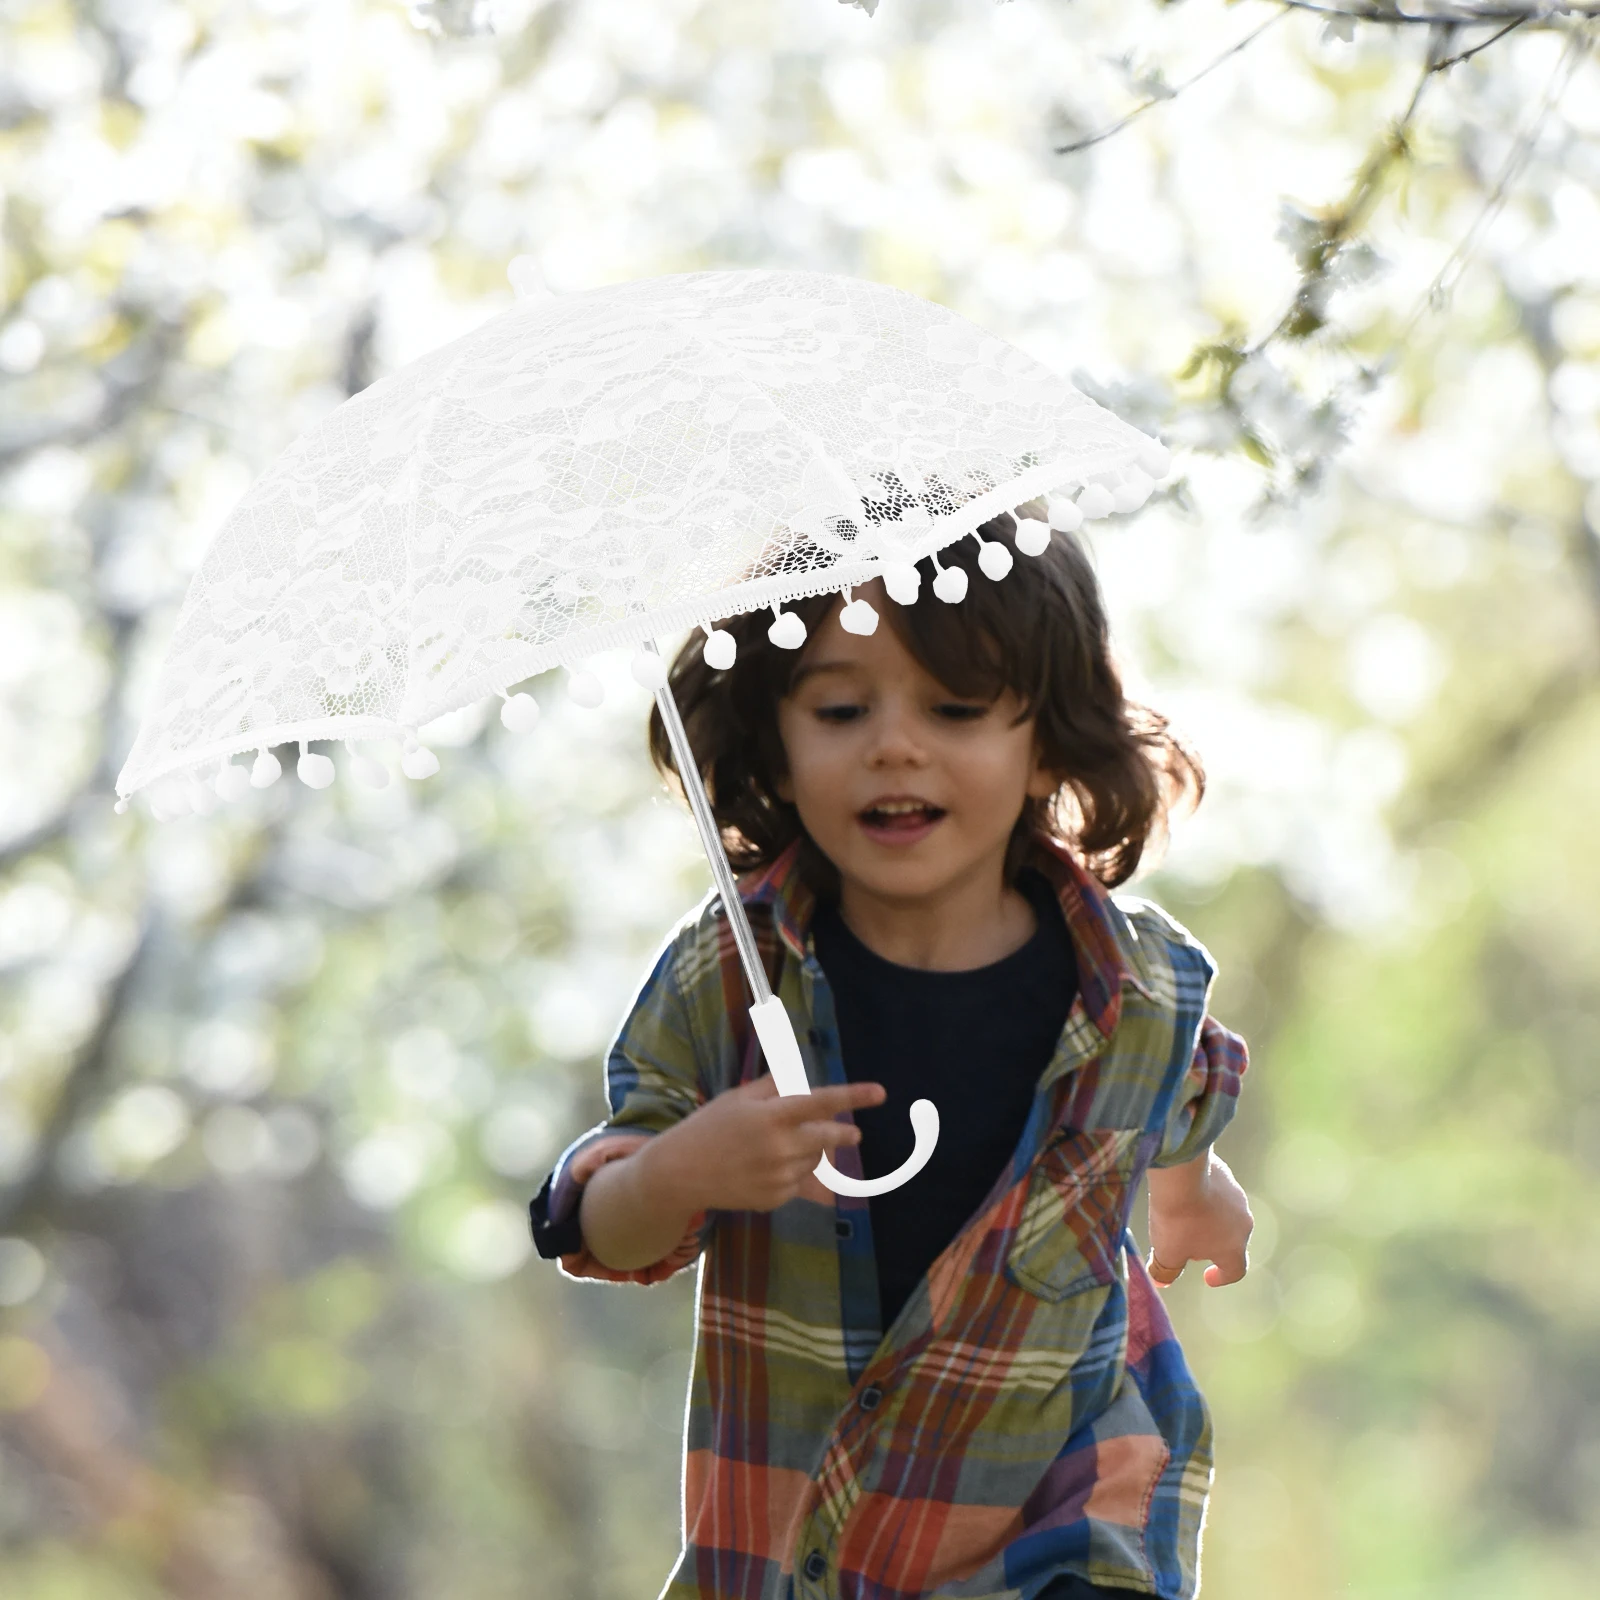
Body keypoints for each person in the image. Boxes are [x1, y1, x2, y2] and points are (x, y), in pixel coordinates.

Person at [528, 503, 1253, 1600]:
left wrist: (1192, 1190)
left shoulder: (1133, 983)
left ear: (1046, 736)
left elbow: (1177, 1094)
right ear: (776, 733)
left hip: (1064, 1509)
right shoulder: (728, 978)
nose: (894, 744)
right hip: (800, 1533)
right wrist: (682, 1171)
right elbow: (590, 1221)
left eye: (956, 706)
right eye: (839, 707)